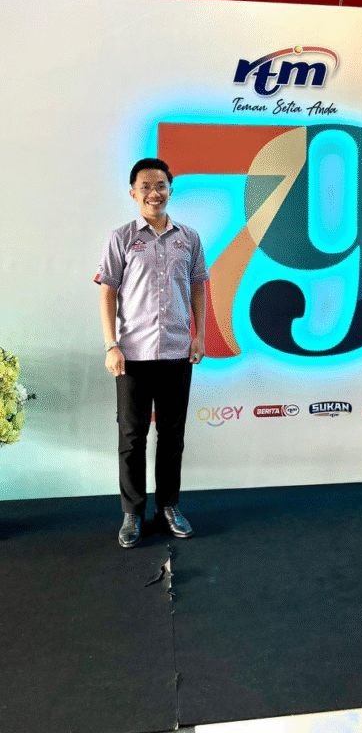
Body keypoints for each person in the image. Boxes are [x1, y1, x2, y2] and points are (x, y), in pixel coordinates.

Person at [95, 157, 209, 547]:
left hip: (177, 351)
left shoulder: (189, 238)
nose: (153, 193)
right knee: (132, 437)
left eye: (160, 185)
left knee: (172, 436)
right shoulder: (121, 238)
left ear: (170, 191)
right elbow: (107, 292)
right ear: (133, 193)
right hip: (132, 356)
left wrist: (199, 336)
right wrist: (111, 344)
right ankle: (132, 513)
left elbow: (198, 286)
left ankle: (168, 507)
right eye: (145, 186)